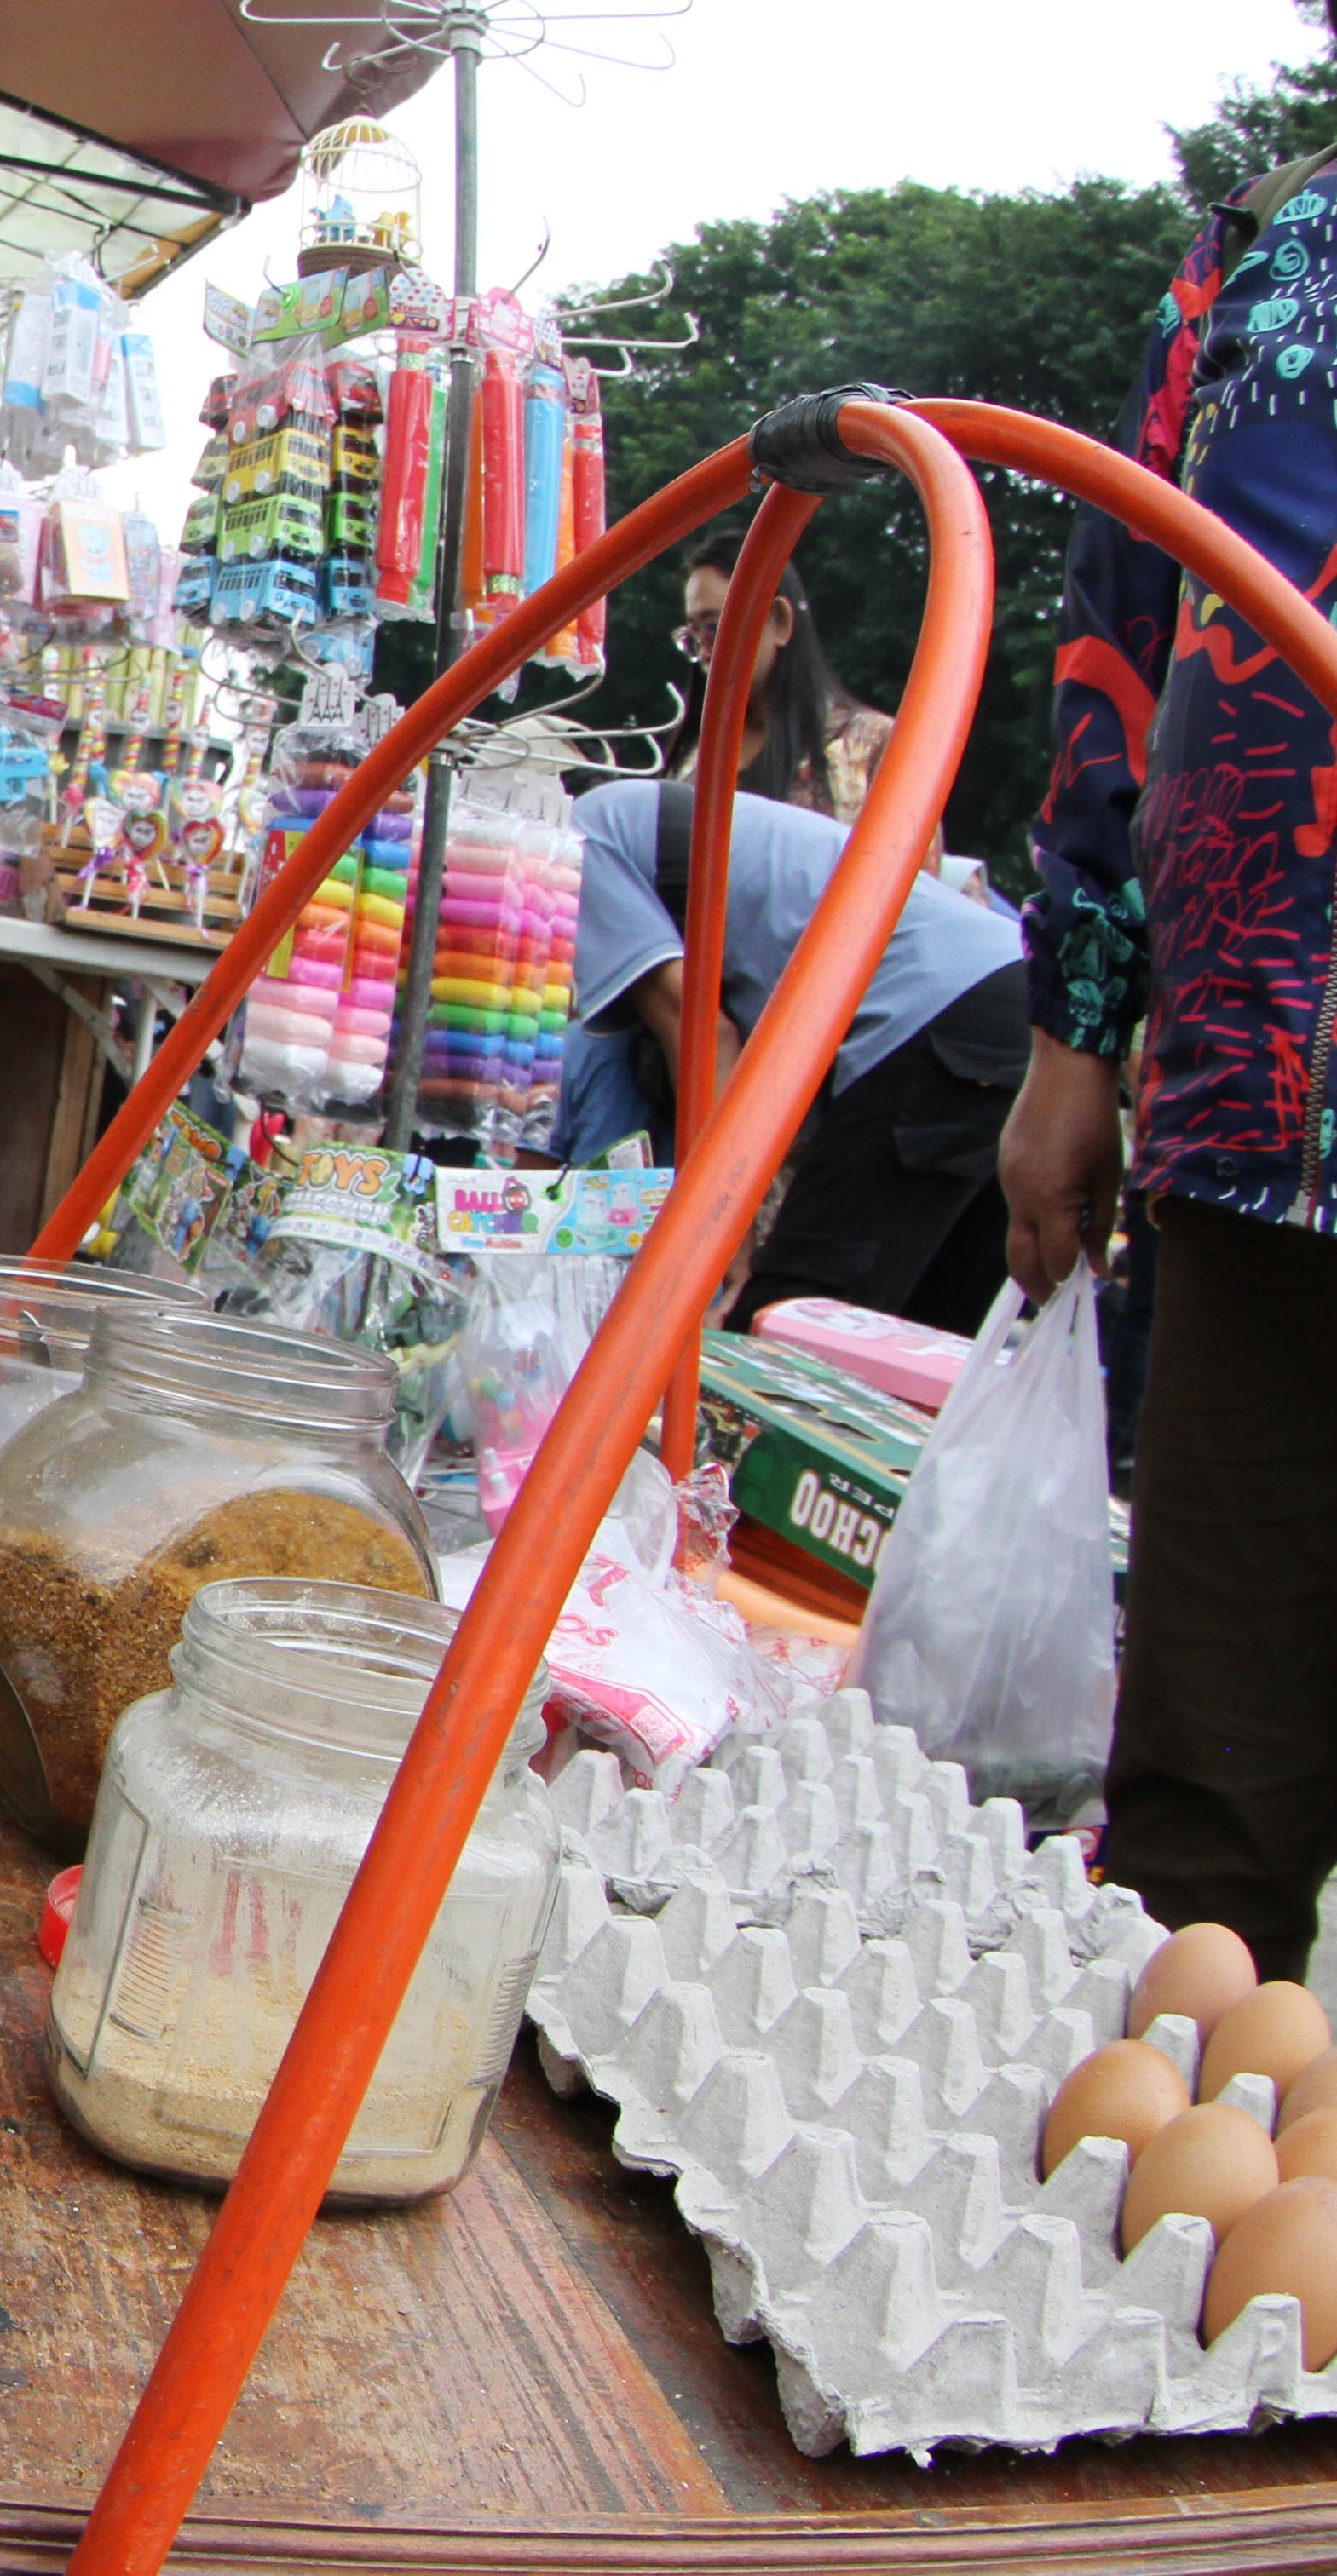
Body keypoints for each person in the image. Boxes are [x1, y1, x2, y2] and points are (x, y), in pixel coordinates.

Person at [1009, 130, 1337, 1975]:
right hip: (1263, 1123)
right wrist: (1077, 1033)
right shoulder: (1270, 245)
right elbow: (1123, 638)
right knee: (1205, 1825)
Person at [561, 779, 1027, 1331]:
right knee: (921, 1334)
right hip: (1016, 994)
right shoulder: (649, 829)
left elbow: (703, 1035)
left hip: (935, 1009)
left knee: (790, 1324)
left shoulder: (579, 842)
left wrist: (717, 1238)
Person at [660, 538, 897, 820]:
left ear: (780, 621)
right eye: (694, 636)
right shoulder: (694, 756)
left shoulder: (869, 745)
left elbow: (915, 861)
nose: (705, 652)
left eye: (714, 628)